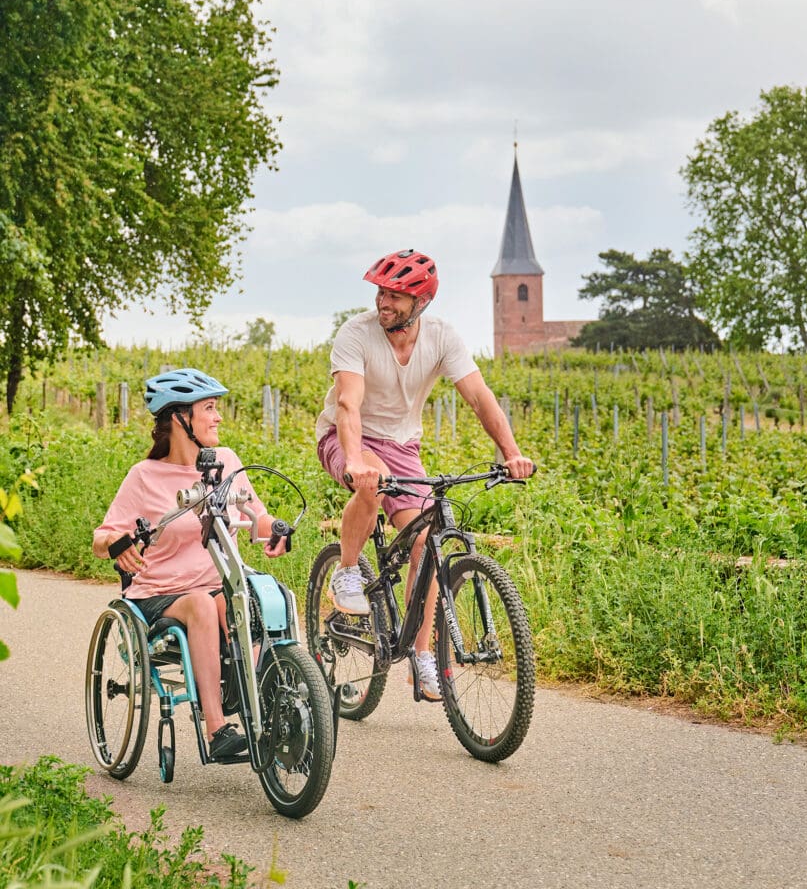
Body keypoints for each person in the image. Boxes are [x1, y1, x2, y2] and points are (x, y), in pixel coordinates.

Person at [316, 248, 535, 702]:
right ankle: (348, 570)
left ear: (421, 302)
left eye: (395, 295)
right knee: (370, 481)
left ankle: (421, 659)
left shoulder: (441, 337)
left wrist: (512, 453)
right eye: (380, 292)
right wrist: (356, 460)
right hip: (346, 437)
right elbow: (347, 404)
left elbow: (479, 397)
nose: (383, 302)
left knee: (425, 539)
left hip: (403, 446)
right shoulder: (355, 334)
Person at [93, 368, 288, 760]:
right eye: (210, 408)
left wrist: (276, 529)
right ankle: (217, 730)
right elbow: (102, 538)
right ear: (180, 419)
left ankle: (267, 701)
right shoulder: (144, 476)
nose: (218, 417)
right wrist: (117, 544)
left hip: (221, 584)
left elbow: (257, 516)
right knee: (203, 603)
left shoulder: (226, 462)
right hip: (160, 594)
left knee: (265, 596)